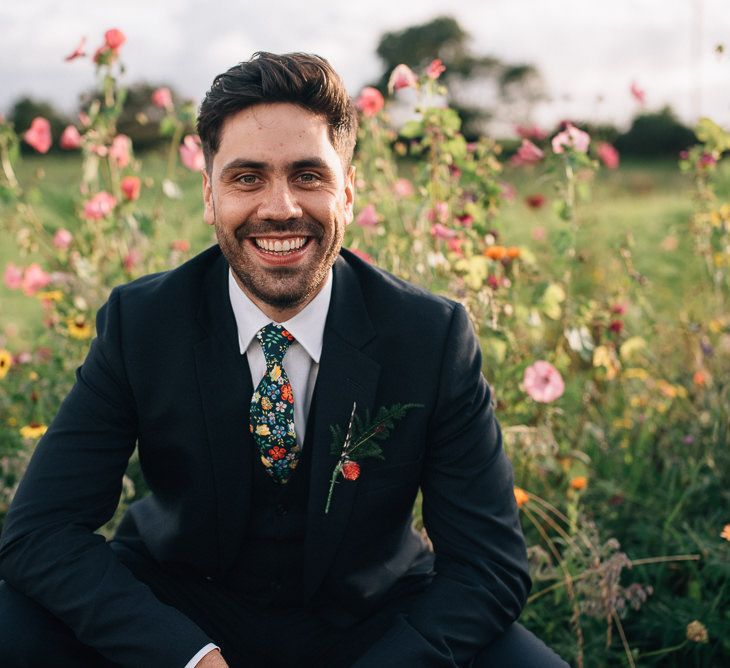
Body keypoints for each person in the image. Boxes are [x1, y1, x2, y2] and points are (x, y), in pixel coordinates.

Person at [0, 52, 568, 667]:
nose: (280, 208)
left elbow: (490, 567)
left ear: (347, 191)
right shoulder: (141, 323)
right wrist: (186, 657)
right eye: (247, 178)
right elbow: (40, 533)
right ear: (210, 194)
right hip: (181, 610)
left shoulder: (430, 335)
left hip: (373, 622)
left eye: (308, 176)